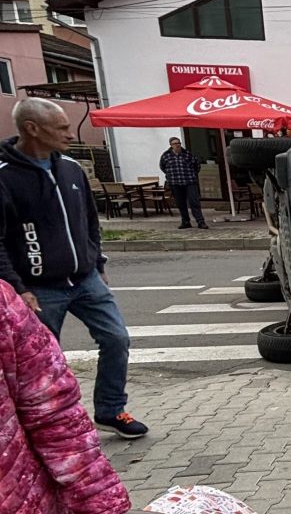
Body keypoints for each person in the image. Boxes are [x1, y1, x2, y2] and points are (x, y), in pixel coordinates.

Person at [0, 98, 148, 439]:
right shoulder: (6, 178)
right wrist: (18, 287)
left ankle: (111, 409)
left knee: (116, 338)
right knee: (41, 359)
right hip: (39, 289)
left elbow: (89, 221)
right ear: (32, 129)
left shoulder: (71, 168)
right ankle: (50, 424)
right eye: (63, 127)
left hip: (85, 279)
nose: (70, 134)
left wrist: (97, 262)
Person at [0, 280, 131, 514]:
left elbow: (53, 411)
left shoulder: (4, 305)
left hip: (17, 494)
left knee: (116, 338)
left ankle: (111, 409)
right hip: (42, 282)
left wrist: (99, 504)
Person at [159, 136, 208, 229]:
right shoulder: (166, 155)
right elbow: (163, 167)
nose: (177, 145)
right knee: (181, 203)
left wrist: (192, 174)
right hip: (175, 183)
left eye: (179, 143)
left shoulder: (187, 154)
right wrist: (171, 176)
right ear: (171, 145)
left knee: (194, 202)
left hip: (189, 181)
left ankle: (200, 221)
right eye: (175, 144)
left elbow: (196, 166)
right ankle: (185, 221)